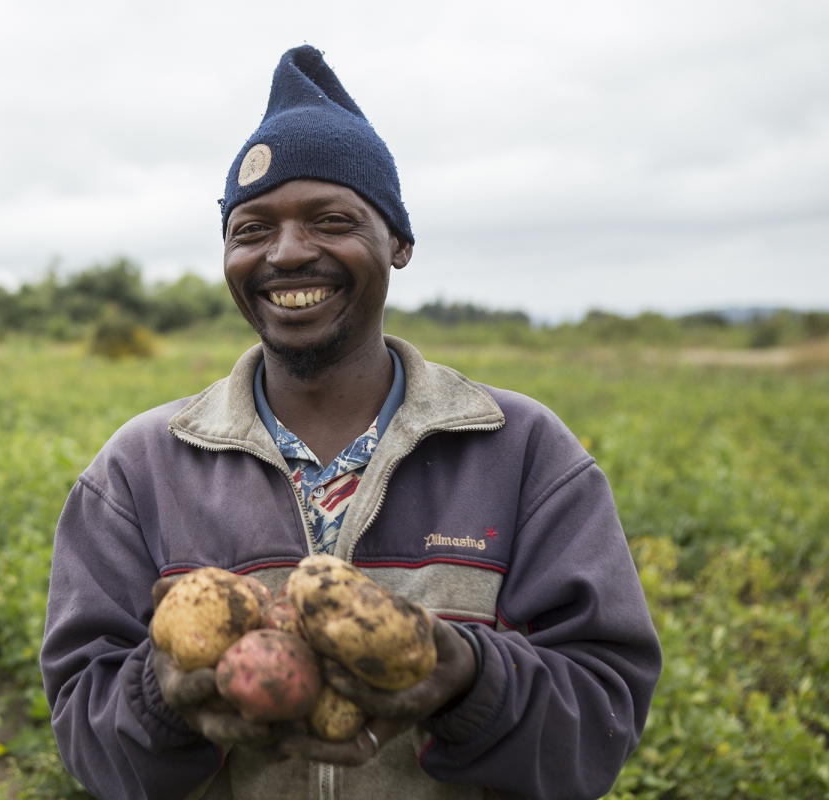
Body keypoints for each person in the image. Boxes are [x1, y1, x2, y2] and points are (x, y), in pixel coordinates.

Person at [41, 45, 662, 800]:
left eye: (331, 219)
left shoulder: (525, 454)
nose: (289, 252)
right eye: (252, 229)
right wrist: (161, 693)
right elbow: (84, 732)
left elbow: (601, 720)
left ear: (397, 242)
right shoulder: (137, 471)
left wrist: (466, 676)